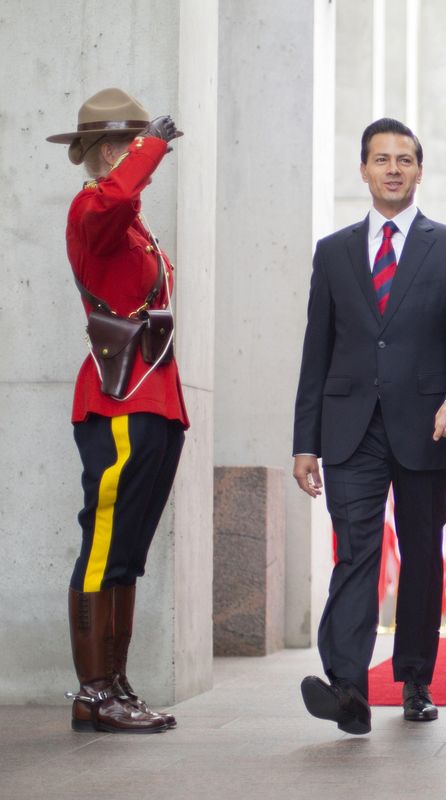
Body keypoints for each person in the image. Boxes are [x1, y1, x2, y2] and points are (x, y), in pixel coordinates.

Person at [292, 118, 446, 734]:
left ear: (419, 171)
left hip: (430, 425)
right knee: (356, 552)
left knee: (423, 554)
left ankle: (414, 680)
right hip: (351, 427)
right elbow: (316, 350)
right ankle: (348, 686)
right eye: (382, 159)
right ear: (363, 170)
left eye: (405, 159)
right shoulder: (333, 252)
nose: (394, 169)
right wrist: (305, 443)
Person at [47, 87, 187, 733]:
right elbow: (114, 197)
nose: (131, 152)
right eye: (122, 143)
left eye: (135, 141)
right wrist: (150, 149)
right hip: (118, 401)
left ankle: (117, 684)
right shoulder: (94, 207)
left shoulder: (130, 223)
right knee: (103, 544)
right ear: (100, 152)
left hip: (151, 398)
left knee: (127, 550)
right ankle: (92, 691)